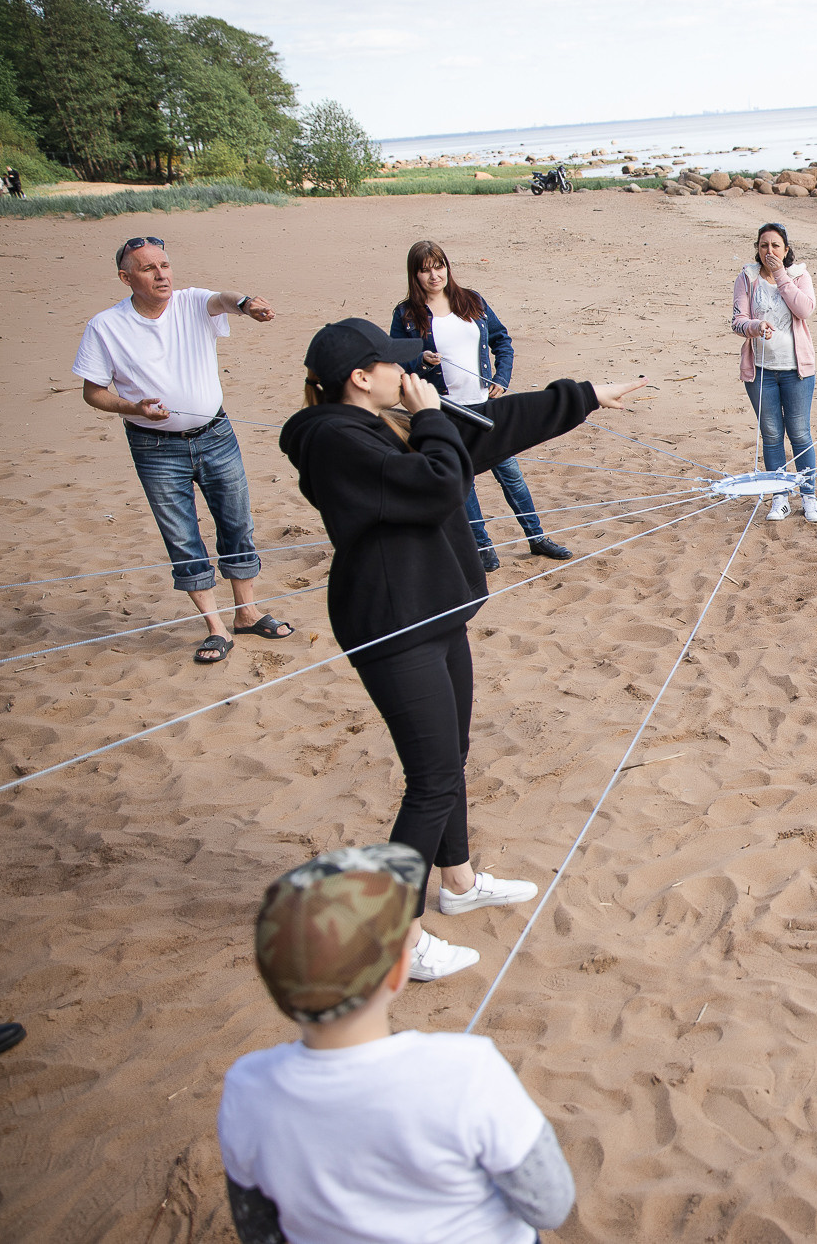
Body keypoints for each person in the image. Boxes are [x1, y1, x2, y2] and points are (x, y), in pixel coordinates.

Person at [279, 317, 645, 980]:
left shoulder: (383, 422)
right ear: (360, 379)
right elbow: (437, 484)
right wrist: (428, 418)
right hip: (394, 627)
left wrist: (584, 395)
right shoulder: (337, 441)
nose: (408, 373)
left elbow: (488, 429)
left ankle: (459, 881)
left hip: (434, 609)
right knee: (433, 779)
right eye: (393, 365)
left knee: (453, 757)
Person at [219, 842, 575, 1244]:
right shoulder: (468, 1069)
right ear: (397, 974)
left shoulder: (245, 1088)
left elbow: (259, 1230)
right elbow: (550, 1205)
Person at [74, 237, 296, 665]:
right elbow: (93, 392)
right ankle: (215, 628)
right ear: (126, 278)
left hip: (216, 435)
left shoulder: (191, 302)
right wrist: (132, 407)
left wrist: (248, 304)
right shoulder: (105, 326)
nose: (161, 274)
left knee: (236, 523)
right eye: (147, 268)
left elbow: (222, 300)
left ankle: (247, 613)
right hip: (153, 446)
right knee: (181, 535)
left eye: (165, 264)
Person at [390, 240, 572, 574]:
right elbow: (397, 364)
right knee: (466, 483)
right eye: (425, 269)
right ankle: (483, 547)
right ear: (414, 274)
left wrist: (501, 377)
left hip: (483, 406)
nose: (435, 275)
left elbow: (503, 341)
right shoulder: (406, 314)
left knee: (511, 475)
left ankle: (537, 537)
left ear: (447, 266)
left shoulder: (471, 300)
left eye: (439, 266)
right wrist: (421, 360)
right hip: (444, 410)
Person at [731, 222, 817, 522]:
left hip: (796, 370)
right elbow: (737, 320)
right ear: (757, 249)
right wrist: (754, 327)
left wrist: (781, 274)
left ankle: (808, 497)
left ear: (785, 249)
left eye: (775, 245)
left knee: (799, 433)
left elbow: (805, 310)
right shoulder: (747, 277)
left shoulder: (799, 275)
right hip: (761, 372)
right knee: (771, 435)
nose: (769, 251)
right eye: (763, 245)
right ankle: (779, 498)